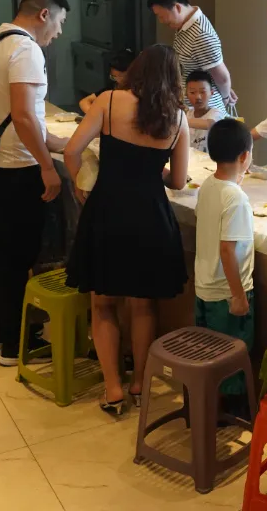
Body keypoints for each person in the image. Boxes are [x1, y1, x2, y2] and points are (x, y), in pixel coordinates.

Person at [64, 44, 190, 415]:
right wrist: (152, 169)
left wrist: (80, 183)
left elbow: (72, 151)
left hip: (108, 211)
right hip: (151, 216)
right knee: (143, 303)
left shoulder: (108, 101)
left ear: (137, 70)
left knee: (103, 302)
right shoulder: (177, 119)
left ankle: (114, 388)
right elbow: (178, 181)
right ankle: (139, 383)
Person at [0, 0, 70, 366]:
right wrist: (47, 165)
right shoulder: (27, 49)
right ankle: (16, 346)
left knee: (0, 251)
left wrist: (57, 143)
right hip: (16, 169)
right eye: (59, 22)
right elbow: (24, 115)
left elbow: (11, 114)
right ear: (44, 15)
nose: (58, 32)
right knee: (19, 256)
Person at [195, 118, 255, 414]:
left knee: (208, 352)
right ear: (245, 156)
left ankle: (208, 409)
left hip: (205, 287)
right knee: (230, 358)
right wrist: (239, 295)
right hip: (227, 293)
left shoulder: (209, 185)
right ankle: (227, 415)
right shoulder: (237, 199)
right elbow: (227, 250)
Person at [147, 0, 236, 114]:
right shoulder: (184, 25)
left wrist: (226, 96)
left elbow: (222, 78)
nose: (161, 21)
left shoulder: (200, 35)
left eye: (161, 16)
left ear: (177, 7)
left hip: (203, 113)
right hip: (190, 109)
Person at [79, 48, 134, 115]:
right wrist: (96, 115)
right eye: (114, 77)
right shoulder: (113, 87)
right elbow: (84, 102)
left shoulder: (138, 91)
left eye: (122, 77)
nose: (119, 81)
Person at [185, 69, 225, 153]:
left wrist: (180, 121)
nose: (198, 97)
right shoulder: (188, 113)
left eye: (202, 92)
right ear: (186, 94)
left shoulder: (216, 113)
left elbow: (210, 124)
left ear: (211, 93)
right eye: (192, 92)